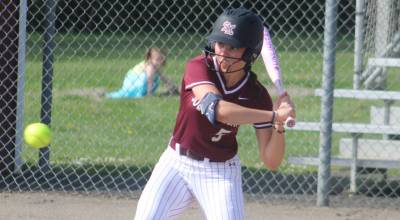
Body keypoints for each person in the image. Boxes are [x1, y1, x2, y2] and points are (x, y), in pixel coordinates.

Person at [134, 7, 295, 220]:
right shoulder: (198, 66)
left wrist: (280, 123)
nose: (222, 53)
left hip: (220, 173)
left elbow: (271, 161)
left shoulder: (257, 95)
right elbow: (218, 110)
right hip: (176, 164)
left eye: (233, 47)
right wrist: (273, 116)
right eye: (220, 43)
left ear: (250, 54)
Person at [105, 47, 179, 98]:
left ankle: (142, 92)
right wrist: (149, 94)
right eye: (157, 59)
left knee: (157, 78)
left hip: (137, 80)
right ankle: (140, 93)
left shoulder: (155, 66)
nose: (160, 61)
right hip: (133, 80)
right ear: (150, 59)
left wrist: (173, 87)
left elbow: (164, 77)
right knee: (151, 78)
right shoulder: (150, 66)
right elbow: (149, 79)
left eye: (162, 59)